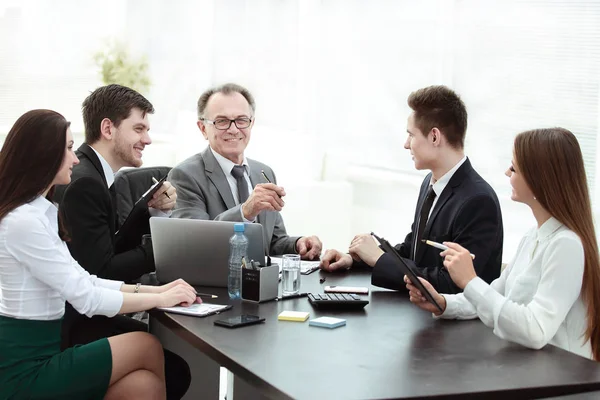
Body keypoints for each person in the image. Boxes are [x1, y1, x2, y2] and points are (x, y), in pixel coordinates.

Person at [0, 109, 199, 399]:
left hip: (44, 350)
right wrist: (159, 298)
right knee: (146, 345)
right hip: (24, 368)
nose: (75, 158)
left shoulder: (39, 213)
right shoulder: (23, 222)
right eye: (68, 148)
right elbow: (85, 296)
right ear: (43, 154)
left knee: (142, 385)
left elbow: (86, 278)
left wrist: (157, 289)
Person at [406, 128, 600, 360]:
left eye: (515, 168)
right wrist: (443, 303)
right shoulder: (533, 237)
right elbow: (497, 293)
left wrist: (469, 280)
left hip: (560, 381)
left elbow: (536, 330)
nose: (507, 172)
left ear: (540, 180)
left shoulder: (566, 246)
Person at [53, 84, 191, 399]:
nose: (148, 139)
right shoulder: (86, 182)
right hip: (73, 327)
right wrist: (164, 246)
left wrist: (148, 211)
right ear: (108, 128)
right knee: (174, 372)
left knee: (167, 370)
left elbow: (105, 245)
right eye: (139, 128)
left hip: (83, 314)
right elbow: (102, 268)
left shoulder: (96, 175)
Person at [320, 85, 503, 294]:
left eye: (411, 135)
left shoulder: (478, 200)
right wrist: (356, 259)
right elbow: (413, 251)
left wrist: (379, 259)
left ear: (434, 137)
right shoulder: (430, 182)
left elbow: (453, 283)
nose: (406, 145)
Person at [169, 83, 322, 259]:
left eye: (241, 120)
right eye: (222, 121)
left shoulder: (264, 172)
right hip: (216, 282)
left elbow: (272, 243)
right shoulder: (185, 175)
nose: (233, 129)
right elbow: (197, 242)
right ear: (203, 128)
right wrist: (245, 212)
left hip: (261, 282)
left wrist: (298, 244)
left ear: (251, 124)